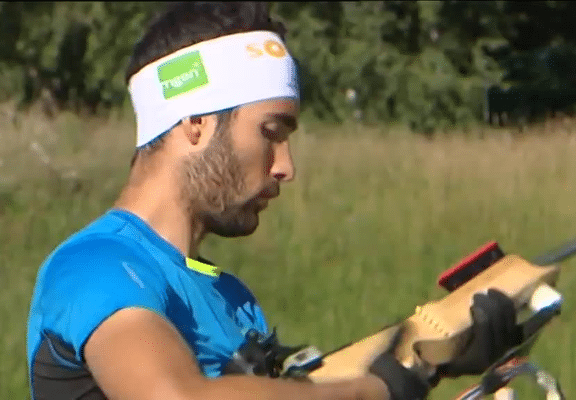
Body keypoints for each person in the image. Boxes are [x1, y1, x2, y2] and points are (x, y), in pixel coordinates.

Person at [26, 2, 523, 399]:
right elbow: (175, 395)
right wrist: (371, 392)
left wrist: (435, 359)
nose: (285, 165)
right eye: (270, 133)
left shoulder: (234, 301)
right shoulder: (95, 266)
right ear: (194, 123)